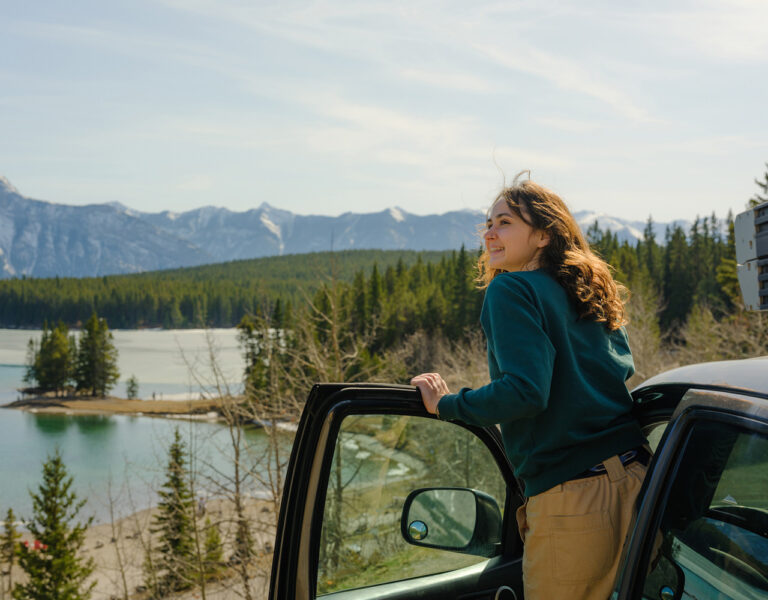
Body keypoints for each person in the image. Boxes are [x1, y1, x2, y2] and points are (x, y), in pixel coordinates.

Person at [411, 172, 648, 600]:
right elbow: (621, 369)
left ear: (542, 236)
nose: (489, 234)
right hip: (637, 482)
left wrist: (447, 404)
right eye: (488, 224)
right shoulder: (587, 289)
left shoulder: (511, 289)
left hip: (573, 500)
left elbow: (525, 392)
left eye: (504, 222)